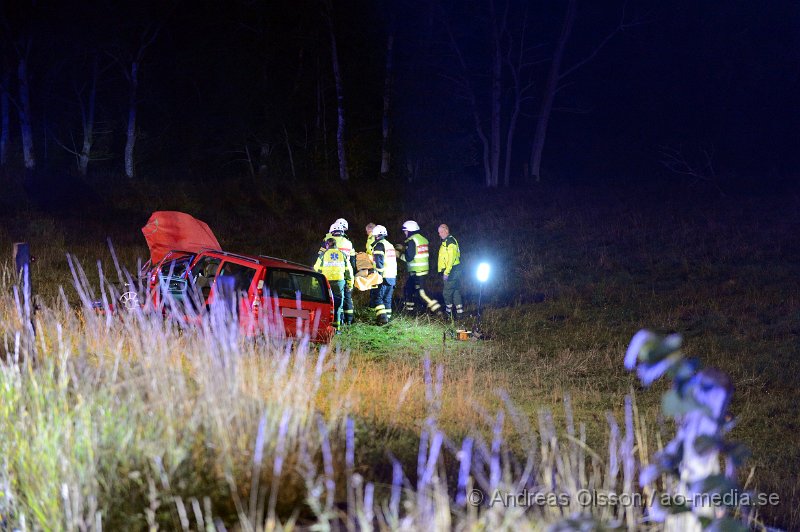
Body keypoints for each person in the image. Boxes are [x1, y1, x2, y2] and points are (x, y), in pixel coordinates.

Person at [317, 220, 355, 325]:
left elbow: (319, 258)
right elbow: (352, 261)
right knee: (344, 299)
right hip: (342, 275)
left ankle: (327, 322)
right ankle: (347, 320)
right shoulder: (348, 242)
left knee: (328, 300)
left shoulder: (327, 241)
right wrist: (351, 278)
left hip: (327, 277)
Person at [400, 220, 441, 313]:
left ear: (410, 230)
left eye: (405, 231)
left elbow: (409, 257)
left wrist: (398, 254)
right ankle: (409, 311)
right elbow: (416, 252)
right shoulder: (421, 239)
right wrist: (403, 248)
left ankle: (438, 311)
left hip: (417, 271)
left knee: (422, 293)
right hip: (420, 270)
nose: (405, 233)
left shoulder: (411, 241)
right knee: (408, 289)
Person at [314, 237, 353, 332]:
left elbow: (316, 269)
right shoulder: (342, 254)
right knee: (338, 305)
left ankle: (326, 328)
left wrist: (315, 283)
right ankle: (337, 329)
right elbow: (349, 270)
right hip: (339, 282)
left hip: (326, 282)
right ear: (336, 245)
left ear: (327, 245)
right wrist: (349, 283)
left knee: (326, 304)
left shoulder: (323, 255)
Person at [369, 225, 397, 324]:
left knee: (378, 298)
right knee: (387, 299)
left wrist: (377, 275)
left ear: (376, 235)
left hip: (383, 276)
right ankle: (387, 319)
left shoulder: (379, 245)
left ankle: (382, 319)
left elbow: (379, 262)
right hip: (392, 276)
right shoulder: (390, 245)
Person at [437, 224, 463, 319]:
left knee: (447, 292)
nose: (440, 234)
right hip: (454, 270)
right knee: (455, 291)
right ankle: (460, 313)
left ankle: (448, 314)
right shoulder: (448, 241)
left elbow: (451, 258)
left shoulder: (450, 241)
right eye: (439, 232)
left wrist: (446, 272)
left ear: (447, 231)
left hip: (452, 271)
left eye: (441, 232)